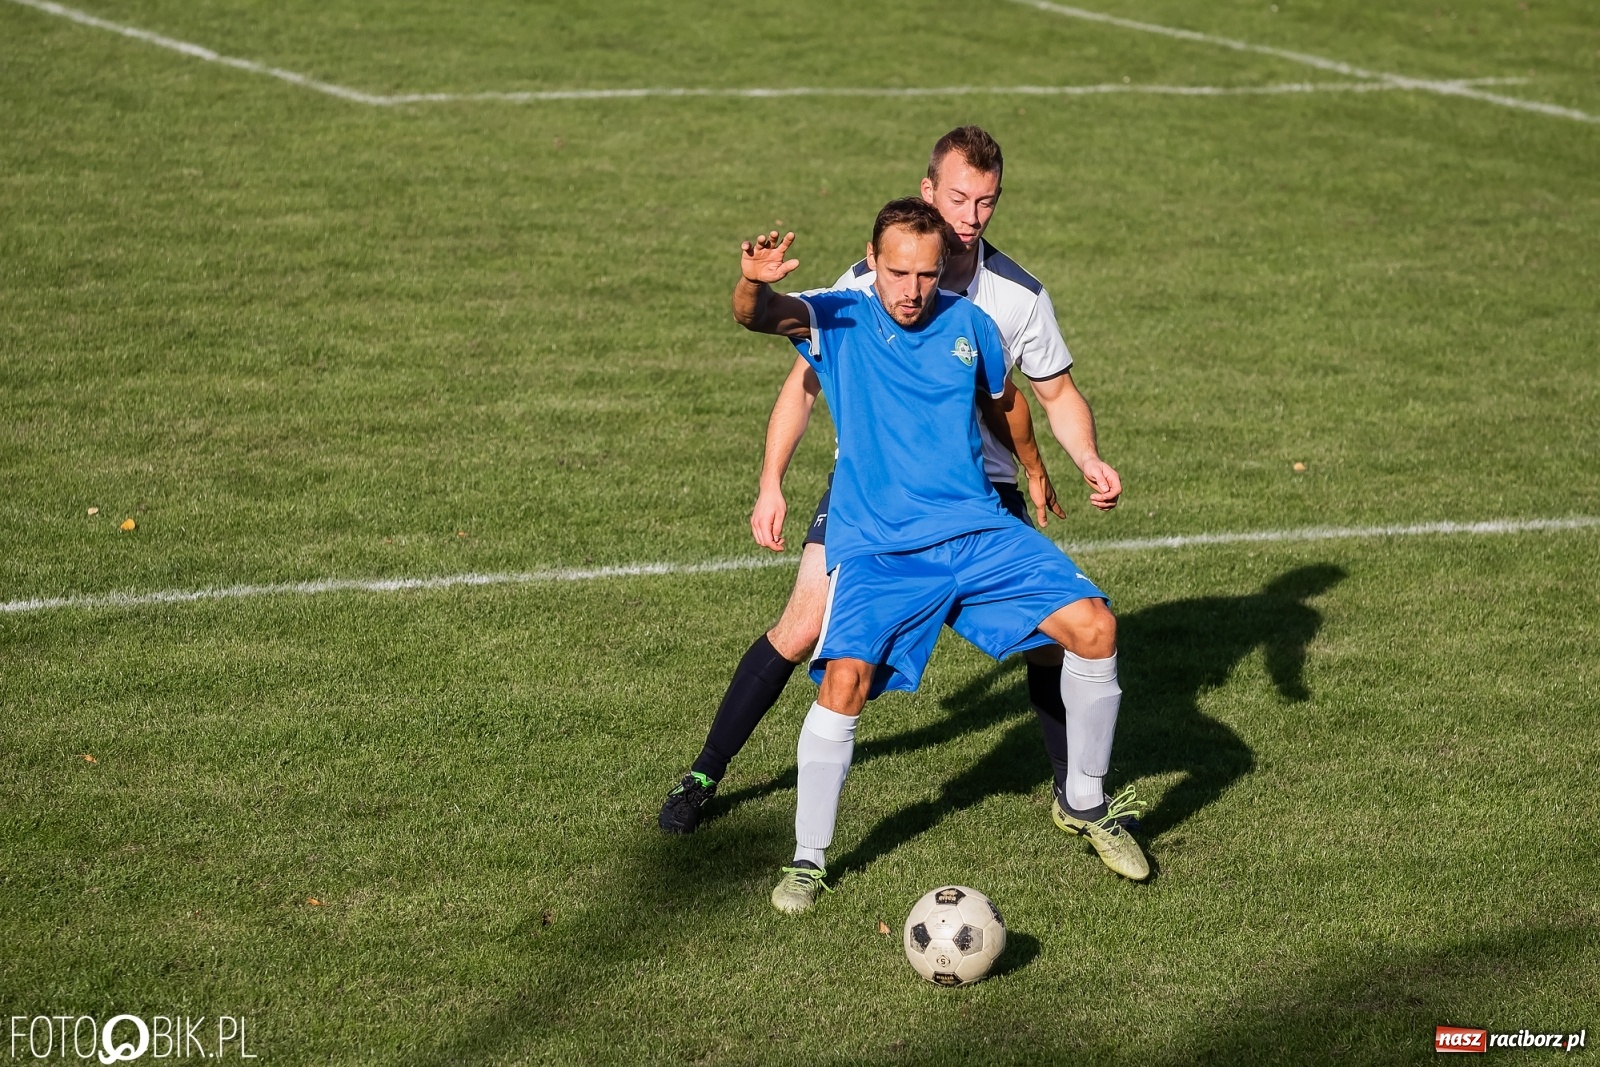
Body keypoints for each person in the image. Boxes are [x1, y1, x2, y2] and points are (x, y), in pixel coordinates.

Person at [662, 128, 1143, 881]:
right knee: (803, 631)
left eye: (986, 200)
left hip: (976, 498)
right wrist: (771, 478)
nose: (971, 213)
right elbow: (790, 363)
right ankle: (708, 775)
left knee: (1066, 636)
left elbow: (1032, 396)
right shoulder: (856, 294)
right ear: (927, 195)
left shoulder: (1009, 300)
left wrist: (1056, 461)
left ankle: (1079, 798)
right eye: (957, 197)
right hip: (875, 490)